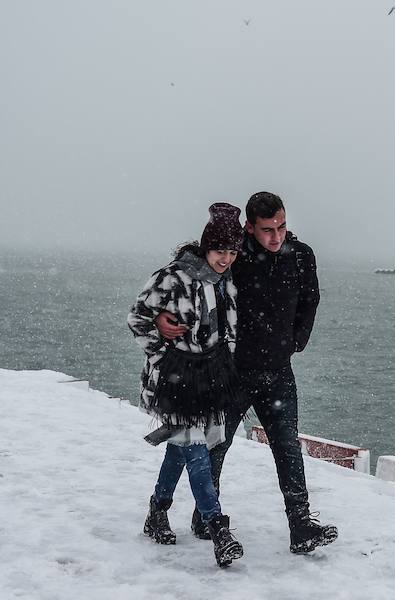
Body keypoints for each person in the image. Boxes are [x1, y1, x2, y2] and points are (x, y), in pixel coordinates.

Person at [156, 191, 337, 554]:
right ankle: (205, 516)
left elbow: (310, 299)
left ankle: (301, 525)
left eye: (282, 226)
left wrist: (296, 341)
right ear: (249, 229)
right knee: (216, 448)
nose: (277, 236)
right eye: (267, 229)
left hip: (277, 371)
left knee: (288, 449)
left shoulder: (301, 256)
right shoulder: (234, 258)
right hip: (233, 373)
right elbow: (192, 271)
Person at [128, 202, 246, 568]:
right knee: (196, 448)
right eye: (219, 251)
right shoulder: (172, 278)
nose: (225, 258)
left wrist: (225, 359)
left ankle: (157, 512)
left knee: (181, 449)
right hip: (175, 380)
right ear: (205, 247)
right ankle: (218, 527)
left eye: (231, 252)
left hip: (209, 378)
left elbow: (228, 328)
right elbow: (138, 319)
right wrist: (164, 358)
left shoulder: (225, 281)